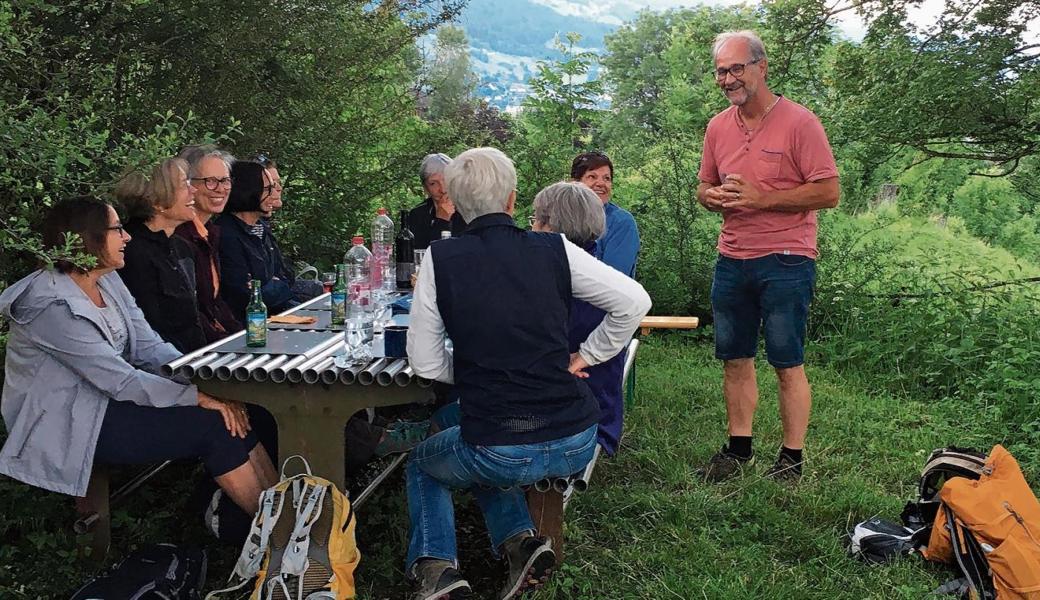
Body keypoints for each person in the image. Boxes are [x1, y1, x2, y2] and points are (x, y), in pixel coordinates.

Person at [406, 148, 651, 600]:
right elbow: (635, 302)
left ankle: (437, 571)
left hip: (499, 441)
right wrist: (586, 356)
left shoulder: (440, 259)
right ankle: (521, 544)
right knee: (451, 425)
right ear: (514, 199)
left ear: (455, 203)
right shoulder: (554, 248)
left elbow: (424, 363)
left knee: (425, 462)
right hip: (577, 436)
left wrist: (478, 373)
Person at [0, 197, 277, 516]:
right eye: (117, 229)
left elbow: (148, 347)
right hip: (68, 423)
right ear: (87, 237)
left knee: (233, 410)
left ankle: (289, 522)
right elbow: (117, 379)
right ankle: (276, 537)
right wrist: (194, 396)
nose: (127, 236)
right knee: (213, 425)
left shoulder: (105, 278)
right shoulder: (50, 305)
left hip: (107, 403)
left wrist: (204, 380)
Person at [695, 30, 840, 483]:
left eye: (737, 68)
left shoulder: (800, 122)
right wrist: (713, 198)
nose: (728, 79)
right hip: (732, 257)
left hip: (787, 258)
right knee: (735, 358)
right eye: (721, 71)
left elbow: (829, 191)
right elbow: (702, 188)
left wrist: (761, 199)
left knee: (786, 362)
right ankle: (739, 450)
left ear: (762, 67)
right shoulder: (718, 126)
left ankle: (791, 459)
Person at [530, 182, 627, 456]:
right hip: (598, 409)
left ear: (550, 226)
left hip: (573, 422)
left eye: (535, 220)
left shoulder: (563, 282)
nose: (532, 228)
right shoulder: (600, 273)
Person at [114, 158, 207, 353]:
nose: (194, 191)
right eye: (184, 185)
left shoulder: (183, 247)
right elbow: (147, 331)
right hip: (163, 368)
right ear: (157, 201)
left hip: (195, 362)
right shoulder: (131, 252)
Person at [173, 145, 243, 343]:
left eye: (225, 180)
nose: (221, 188)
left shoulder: (209, 232)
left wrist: (241, 338)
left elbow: (215, 303)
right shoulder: (178, 237)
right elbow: (192, 311)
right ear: (188, 185)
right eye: (210, 181)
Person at [216, 161, 297, 320]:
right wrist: (274, 286)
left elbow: (286, 276)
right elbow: (245, 296)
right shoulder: (226, 234)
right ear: (248, 190)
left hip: (276, 316)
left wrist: (273, 286)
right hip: (247, 326)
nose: (275, 195)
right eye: (267, 189)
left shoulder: (261, 230)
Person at [570, 151, 640, 277]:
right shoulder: (561, 217)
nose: (601, 183)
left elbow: (613, 280)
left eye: (606, 178)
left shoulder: (620, 222)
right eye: (592, 177)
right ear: (575, 183)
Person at [406, 153, 467, 249]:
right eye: (433, 183)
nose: (442, 189)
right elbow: (421, 255)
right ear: (425, 188)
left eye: (446, 180)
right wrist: (441, 221)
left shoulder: (469, 209)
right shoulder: (417, 214)